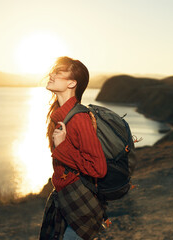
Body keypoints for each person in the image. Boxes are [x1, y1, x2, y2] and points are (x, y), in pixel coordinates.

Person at [39, 56, 107, 240]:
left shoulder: (79, 118)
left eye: (58, 73)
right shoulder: (60, 115)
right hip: (63, 199)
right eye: (53, 71)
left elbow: (98, 168)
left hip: (80, 205)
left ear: (71, 83)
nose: (51, 75)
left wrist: (62, 148)